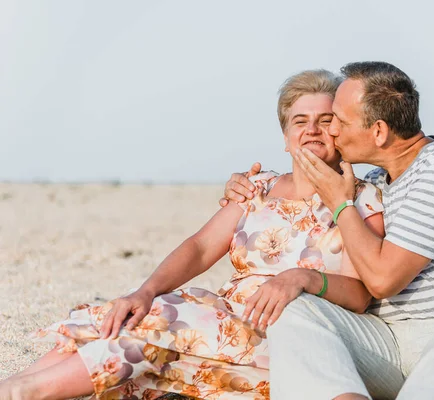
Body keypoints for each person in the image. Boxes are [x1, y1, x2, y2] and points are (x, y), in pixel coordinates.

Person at [0, 70, 385, 400]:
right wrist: (145, 290)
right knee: (135, 315)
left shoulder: (362, 199)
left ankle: (25, 391)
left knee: (162, 318)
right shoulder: (258, 188)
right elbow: (200, 248)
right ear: (285, 136)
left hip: (288, 335)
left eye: (324, 120)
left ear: (341, 130)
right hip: (224, 321)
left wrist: (301, 279)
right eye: (300, 121)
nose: (312, 130)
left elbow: (361, 293)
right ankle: (18, 385)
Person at [221, 61, 434, 400]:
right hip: (385, 339)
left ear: (378, 132)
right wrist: (243, 188)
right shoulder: (377, 183)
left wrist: (341, 204)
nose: (331, 132)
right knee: (295, 308)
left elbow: (382, 280)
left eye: (339, 122)